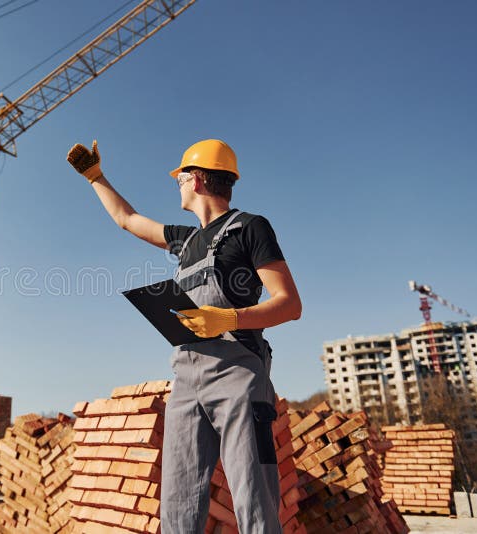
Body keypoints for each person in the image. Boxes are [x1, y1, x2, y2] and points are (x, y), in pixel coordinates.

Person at [66, 138, 302, 534]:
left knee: (254, 498)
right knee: (178, 501)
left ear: (197, 179)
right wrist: (96, 178)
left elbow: (289, 304)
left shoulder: (250, 229)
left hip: (239, 377)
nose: (176, 183)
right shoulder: (186, 241)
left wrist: (227, 318)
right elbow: (128, 220)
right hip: (186, 381)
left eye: (180, 176)